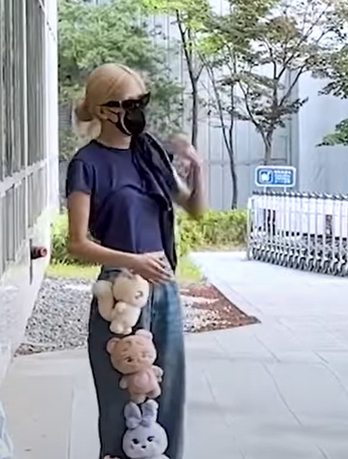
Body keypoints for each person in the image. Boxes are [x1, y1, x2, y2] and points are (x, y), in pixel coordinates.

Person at [65, 63, 205, 459]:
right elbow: (77, 243)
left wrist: (197, 168)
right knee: (122, 402)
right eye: (129, 104)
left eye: (141, 101)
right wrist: (133, 260)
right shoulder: (86, 164)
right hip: (120, 294)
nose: (137, 110)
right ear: (104, 110)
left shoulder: (149, 154)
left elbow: (194, 208)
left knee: (167, 393)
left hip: (164, 285)